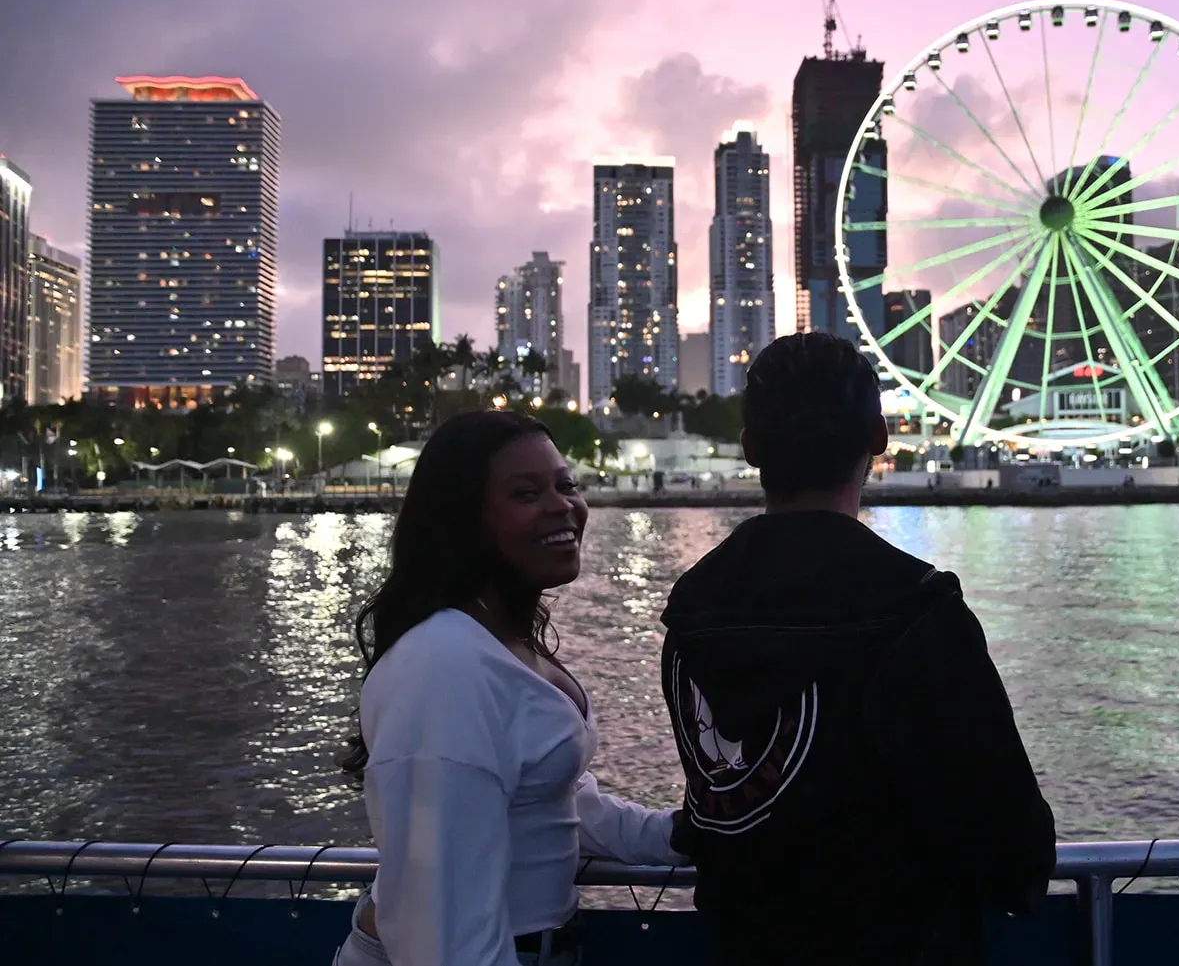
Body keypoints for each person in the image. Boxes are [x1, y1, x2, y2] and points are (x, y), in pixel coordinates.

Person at [660, 333, 1056, 966]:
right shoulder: (917, 608)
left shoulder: (690, 612)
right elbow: (1010, 843)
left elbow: (721, 796)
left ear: (750, 447)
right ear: (878, 438)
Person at [335, 410, 683, 966]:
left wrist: (681, 834)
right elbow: (443, 935)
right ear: (466, 522)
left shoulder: (496, 640)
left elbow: (552, 799)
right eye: (526, 494)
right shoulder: (445, 666)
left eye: (566, 485)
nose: (562, 506)